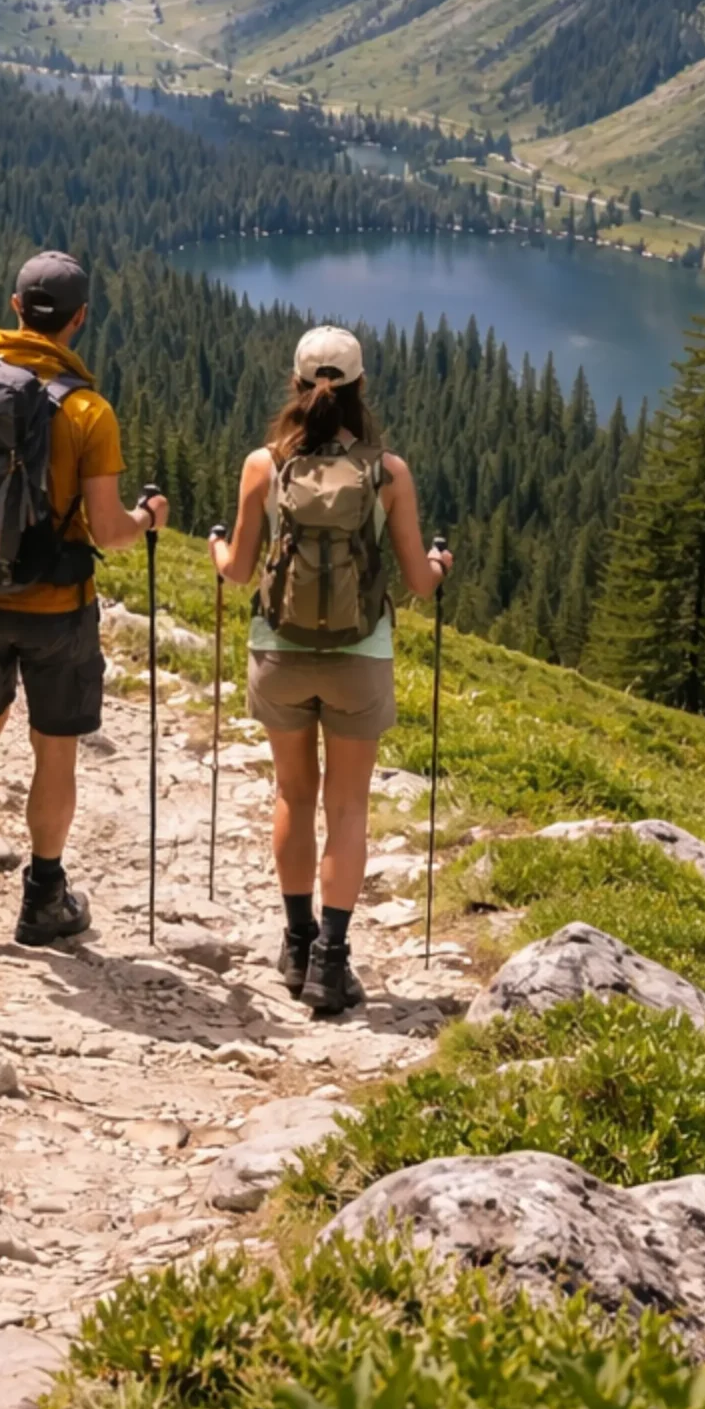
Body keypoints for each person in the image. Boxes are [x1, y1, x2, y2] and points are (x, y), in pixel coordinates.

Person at [0, 250, 170, 944]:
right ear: (80, 320)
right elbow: (110, 530)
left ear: (15, 306)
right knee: (55, 749)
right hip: (56, 606)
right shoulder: (87, 410)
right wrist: (149, 518)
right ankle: (42, 898)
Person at [210, 325, 451, 1016]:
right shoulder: (387, 472)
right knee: (346, 806)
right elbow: (416, 583)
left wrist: (217, 547)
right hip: (359, 656)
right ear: (358, 388)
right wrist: (438, 567)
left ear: (296, 386)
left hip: (279, 652)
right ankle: (331, 963)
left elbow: (237, 572)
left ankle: (295, 942)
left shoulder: (265, 465)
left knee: (292, 794)